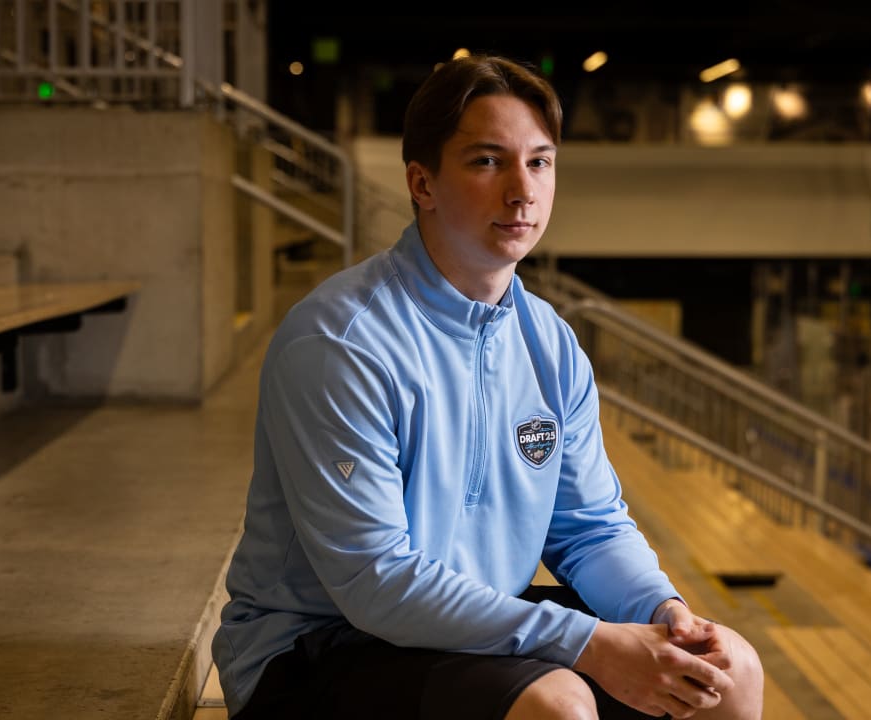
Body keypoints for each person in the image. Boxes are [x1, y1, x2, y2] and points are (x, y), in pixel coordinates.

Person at [211, 54, 763, 719]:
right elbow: (375, 580)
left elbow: (588, 529)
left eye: (539, 162)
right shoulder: (341, 342)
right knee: (556, 704)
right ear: (422, 182)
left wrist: (660, 608)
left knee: (726, 670)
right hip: (318, 647)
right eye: (487, 161)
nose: (522, 191)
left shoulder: (549, 343)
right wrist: (590, 645)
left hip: (476, 622)